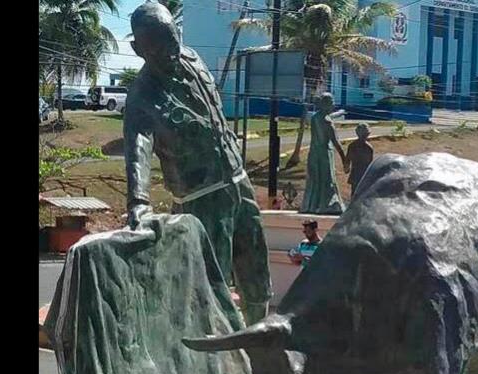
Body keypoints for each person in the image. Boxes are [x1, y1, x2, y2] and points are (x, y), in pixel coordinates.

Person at [123, 2, 271, 323]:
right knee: (209, 287)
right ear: (138, 49)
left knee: (256, 267)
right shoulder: (142, 97)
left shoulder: (193, 58)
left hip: (238, 182)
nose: (171, 54)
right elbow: (138, 148)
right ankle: (218, 359)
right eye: (159, 49)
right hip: (202, 201)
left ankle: (263, 341)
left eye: (172, 42)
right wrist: (138, 202)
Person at [300, 93, 347, 215]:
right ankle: (327, 206)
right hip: (325, 154)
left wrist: (339, 113)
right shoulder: (328, 123)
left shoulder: (315, 118)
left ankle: (310, 206)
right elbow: (336, 142)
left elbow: (327, 116)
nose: (334, 105)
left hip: (314, 153)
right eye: (332, 102)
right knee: (327, 181)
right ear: (327, 104)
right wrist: (344, 159)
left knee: (315, 180)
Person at [344, 123, 374, 197]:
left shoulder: (352, 146)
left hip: (356, 173)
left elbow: (347, 159)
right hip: (364, 174)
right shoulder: (369, 147)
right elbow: (370, 163)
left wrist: (346, 168)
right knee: (362, 192)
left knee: (355, 192)